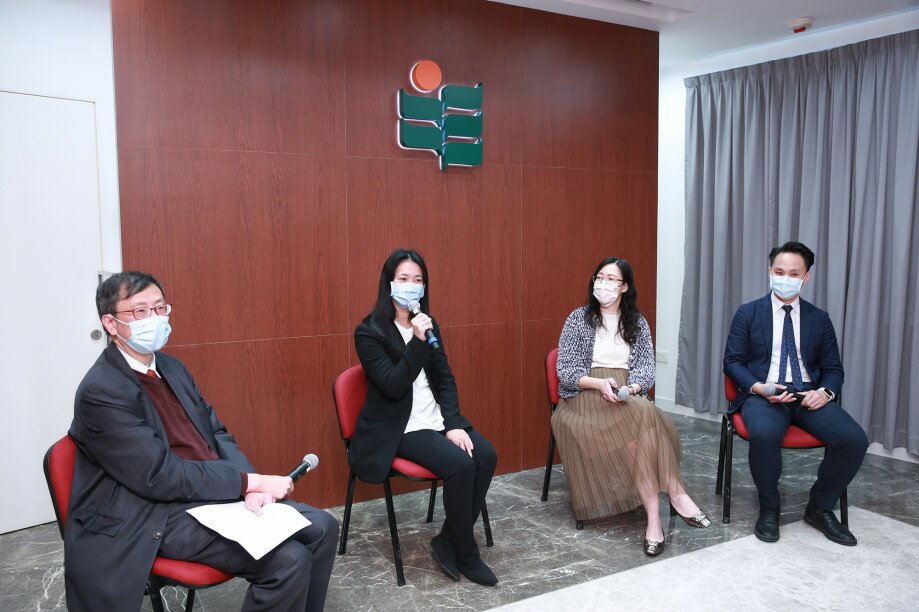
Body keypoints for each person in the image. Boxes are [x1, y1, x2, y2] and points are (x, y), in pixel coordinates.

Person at [66, 272, 338, 611]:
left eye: (159, 308)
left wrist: (249, 487)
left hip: (206, 491)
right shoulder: (102, 391)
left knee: (324, 527)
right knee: (289, 560)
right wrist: (249, 481)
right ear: (110, 323)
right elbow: (159, 477)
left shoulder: (171, 367)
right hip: (154, 511)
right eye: (139, 312)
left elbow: (218, 433)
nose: (154, 319)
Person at [348, 249, 499, 586]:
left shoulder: (430, 325)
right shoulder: (369, 332)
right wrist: (416, 340)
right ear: (389, 283)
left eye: (417, 280)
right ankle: (466, 553)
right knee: (460, 465)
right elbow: (392, 384)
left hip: (435, 420)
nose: (411, 286)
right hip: (399, 427)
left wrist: (454, 424)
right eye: (403, 279)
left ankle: (448, 539)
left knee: (485, 455)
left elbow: (444, 378)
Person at [553, 257, 710, 556]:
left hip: (627, 393)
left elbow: (645, 370)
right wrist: (599, 384)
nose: (604, 284)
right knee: (645, 418)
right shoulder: (578, 319)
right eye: (600, 276)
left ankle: (654, 520)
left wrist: (632, 388)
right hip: (585, 395)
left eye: (612, 279)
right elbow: (566, 370)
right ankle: (675, 495)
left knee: (640, 419)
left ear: (625, 287)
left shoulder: (637, 321)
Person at [723, 241, 868, 545]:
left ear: (806, 278)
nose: (785, 278)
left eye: (793, 273)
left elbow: (833, 368)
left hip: (807, 396)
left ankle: (820, 507)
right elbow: (733, 361)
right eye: (779, 271)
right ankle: (769, 508)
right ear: (769, 272)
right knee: (764, 433)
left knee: (854, 440)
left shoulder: (819, 318)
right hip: (765, 394)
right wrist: (759, 387)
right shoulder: (748, 313)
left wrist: (826, 392)